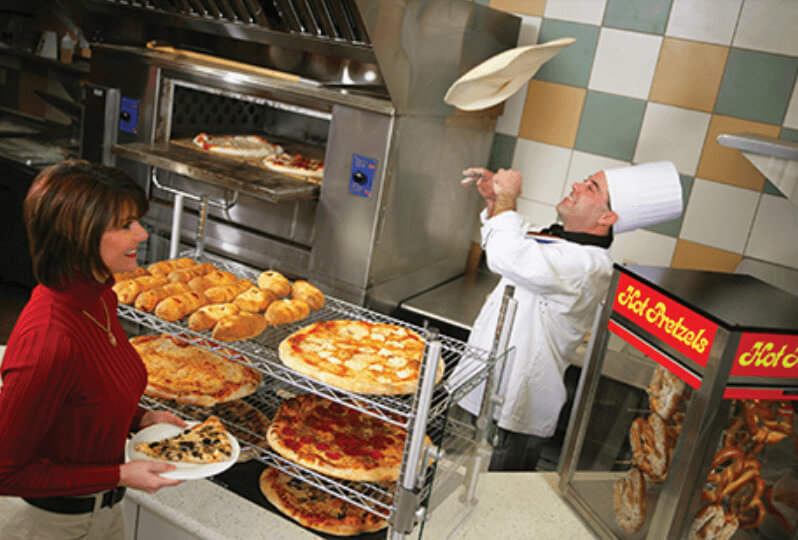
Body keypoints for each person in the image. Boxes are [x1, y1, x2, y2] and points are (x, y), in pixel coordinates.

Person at [0, 160, 187, 540]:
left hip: (102, 510)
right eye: (125, 225)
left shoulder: (101, 298)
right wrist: (119, 474)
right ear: (78, 237)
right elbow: (5, 472)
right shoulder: (50, 339)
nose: (142, 234)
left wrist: (141, 419)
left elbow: (88, 391)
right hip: (48, 525)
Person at [454, 161, 683, 471]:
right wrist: (497, 203)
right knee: (445, 502)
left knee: (487, 512)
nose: (577, 186)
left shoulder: (588, 266)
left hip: (511, 419)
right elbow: (512, 254)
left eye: (592, 188)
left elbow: (506, 255)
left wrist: (509, 196)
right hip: (479, 393)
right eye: (585, 181)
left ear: (607, 217)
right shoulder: (560, 241)